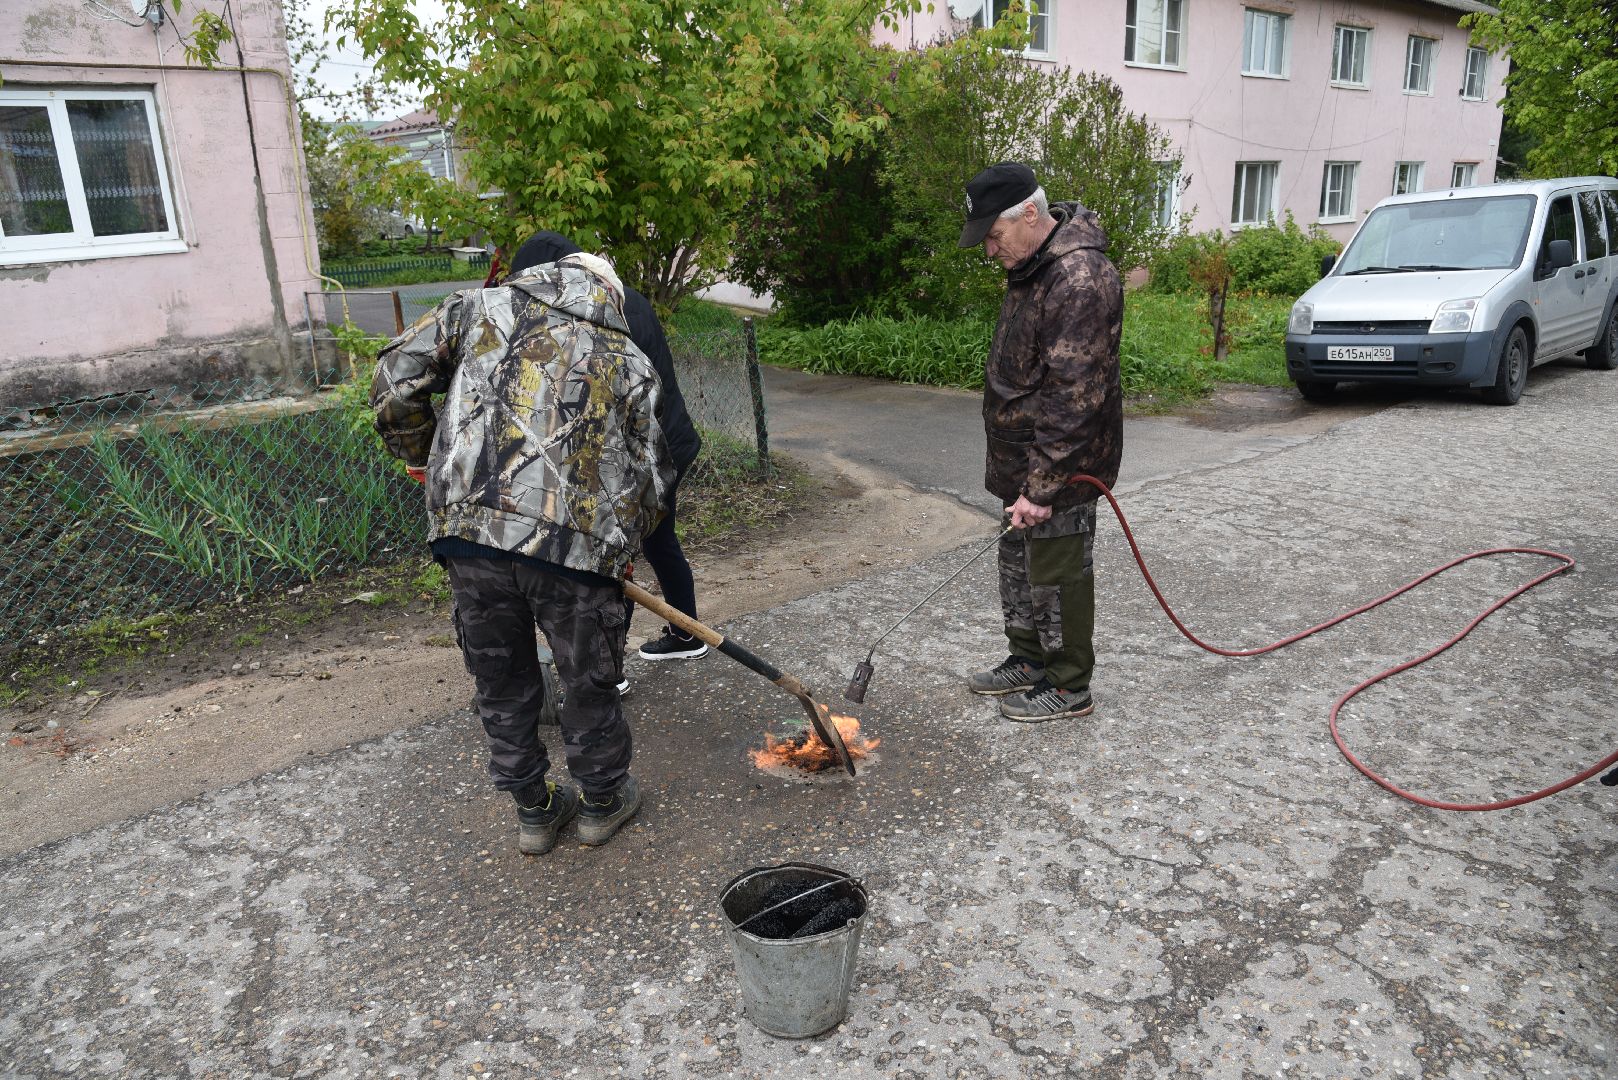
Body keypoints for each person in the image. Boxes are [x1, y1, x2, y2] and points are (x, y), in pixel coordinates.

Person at [371, 250, 672, 854]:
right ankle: (601, 804)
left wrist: (424, 451)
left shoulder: (475, 309)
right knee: (587, 678)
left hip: (469, 535)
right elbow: (652, 475)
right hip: (575, 549)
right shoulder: (629, 360)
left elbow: (395, 374)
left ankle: (534, 810)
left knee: (500, 675)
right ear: (607, 295)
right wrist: (620, 544)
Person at [959, 162, 1124, 722]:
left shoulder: (1079, 279)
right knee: (1018, 564)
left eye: (993, 236)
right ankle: (1028, 660)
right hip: (1021, 465)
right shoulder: (1033, 266)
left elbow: (1074, 397)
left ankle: (1070, 682)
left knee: (1056, 572)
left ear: (1030, 213)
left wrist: (1043, 484)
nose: (989, 250)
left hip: (1059, 470)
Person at [505, 232, 709, 664]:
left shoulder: (591, 306)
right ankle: (686, 635)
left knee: (613, 550)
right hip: (667, 437)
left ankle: (608, 666)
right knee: (656, 541)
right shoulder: (622, 294)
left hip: (645, 446)